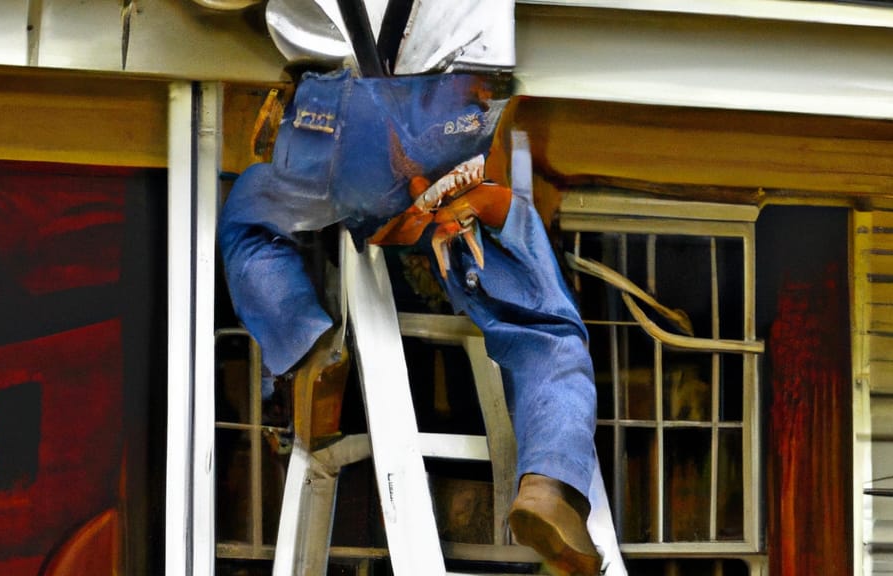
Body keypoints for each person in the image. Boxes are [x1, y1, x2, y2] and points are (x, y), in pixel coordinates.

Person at [217, 4, 605, 574]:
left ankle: (308, 345)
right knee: (541, 325)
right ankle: (551, 480)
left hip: (342, 125)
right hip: (454, 123)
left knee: (249, 220)